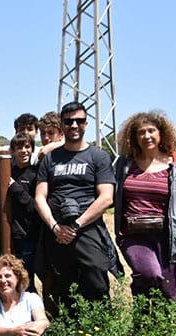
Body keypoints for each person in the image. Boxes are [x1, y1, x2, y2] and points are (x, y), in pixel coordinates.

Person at [35, 101, 118, 312]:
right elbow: (39, 197)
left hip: (87, 227)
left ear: (86, 124)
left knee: (95, 276)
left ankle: (101, 328)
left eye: (79, 121)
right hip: (56, 230)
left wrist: (77, 225)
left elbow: (106, 197)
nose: (74, 125)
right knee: (60, 284)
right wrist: (55, 227)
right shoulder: (51, 159)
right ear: (62, 126)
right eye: (69, 121)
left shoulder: (98, 157)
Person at [115, 111, 176, 312]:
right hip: (134, 235)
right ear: (134, 137)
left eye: (151, 131)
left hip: (169, 237)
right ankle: (144, 320)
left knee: (173, 293)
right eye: (141, 132)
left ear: (161, 133)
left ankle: (154, 331)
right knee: (149, 275)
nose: (147, 136)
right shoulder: (124, 165)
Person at [8, 133, 41, 291]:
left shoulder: (36, 174)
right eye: (19, 147)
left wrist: (14, 188)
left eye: (27, 147)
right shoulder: (6, 171)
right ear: (13, 151)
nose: (23, 150)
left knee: (27, 278)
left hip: (29, 235)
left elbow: (35, 207)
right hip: (9, 235)